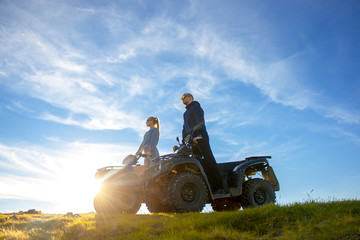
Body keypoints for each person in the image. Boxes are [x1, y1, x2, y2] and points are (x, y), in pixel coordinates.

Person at [181, 93, 224, 194]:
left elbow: (200, 122)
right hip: (192, 141)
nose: (182, 99)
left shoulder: (196, 107)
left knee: (209, 160)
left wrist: (198, 135)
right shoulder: (185, 113)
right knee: (200, 164)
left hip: (200, 138)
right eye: (181, 98)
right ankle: (210, 188)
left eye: (184, 97)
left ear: (190, 97)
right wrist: (184, 141)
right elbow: (184, 129)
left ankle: (220, 187)